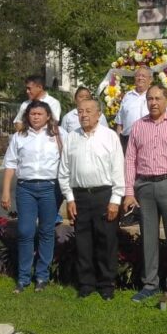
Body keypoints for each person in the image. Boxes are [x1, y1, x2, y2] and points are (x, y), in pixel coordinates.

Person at [123, 84, 167, 304]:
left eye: (157, 98)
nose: (153, 102)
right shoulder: (138, 126)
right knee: (149, 237)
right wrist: (128, 191)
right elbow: (130, 160)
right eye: (150, 99)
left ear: (166, 100)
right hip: (144, 186)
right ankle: (150, 284)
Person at [58, 99, 125, 300]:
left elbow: (118, 169)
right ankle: (86, 284)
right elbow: (64, 171)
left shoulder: (110, 136)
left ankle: (106, 285)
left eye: (88, 111)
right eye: (80, 111)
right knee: (83, 242)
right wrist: (69, 199)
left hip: (104, 195)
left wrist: (115, 199)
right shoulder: (71, 138)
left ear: (98, 114)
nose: (84, 115)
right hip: (79, 197)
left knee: (106, 241)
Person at [1, 101, 65, 293]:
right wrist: (5, 191)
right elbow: (10, 164)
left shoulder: (59, 136)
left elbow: (68, 161)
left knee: (46, 232)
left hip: (50, 188)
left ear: (48, 116)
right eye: (33, 114)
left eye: (40, 114)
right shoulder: (19, 137)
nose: (36, 117)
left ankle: (42, 277)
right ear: (28, 116)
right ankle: (23, 278)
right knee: (25, 231)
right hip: (25, 188)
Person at [115, 66, 157, 150]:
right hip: (127, 141)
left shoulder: (156, 96)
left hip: (150, 142)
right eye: (138, 75)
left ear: (150, 79)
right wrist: (117, 141)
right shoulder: (128, 96)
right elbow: (120, 122)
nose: (140, 78)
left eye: (143, 76)